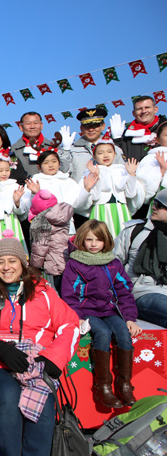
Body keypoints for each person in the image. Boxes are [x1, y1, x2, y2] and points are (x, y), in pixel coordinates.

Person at [0, 234, 79, 456]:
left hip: (37, 360)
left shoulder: (43, 291)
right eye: (0, 262)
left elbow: (69, 325)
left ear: (23, 262)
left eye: (12, 261)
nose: (6, 267)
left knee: (43, 402)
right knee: (9, 394)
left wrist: (53, 358)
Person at [62, 220, 141, 408]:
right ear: (82, 240)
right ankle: (103, 386)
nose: (93, 244)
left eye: (98, 240)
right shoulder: (75, 264)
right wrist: (77, 316)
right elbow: (69, 294)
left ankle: (124, 383)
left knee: (123, 332)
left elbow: (124, 291)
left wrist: (130, 318)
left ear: (106, 241)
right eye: (89, 240)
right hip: (87, 311)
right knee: (103, 333)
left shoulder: (113, 264)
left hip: (109, 309)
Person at [113, 189, 167, 328]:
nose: (154, 207)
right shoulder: (135, 230)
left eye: (160, 205)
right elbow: (113, 263)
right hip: (142, 291)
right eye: (154, 203)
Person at [86, 133, 143, 238]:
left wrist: (131, 175)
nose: (106, 155)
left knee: (123, 238)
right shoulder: (91, 171)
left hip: (120, 208)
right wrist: (95, 176)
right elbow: (94, 197)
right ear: (94, 156)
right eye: (101, 153)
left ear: (115, 154)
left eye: (109, 152)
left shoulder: (121, 169)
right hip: (101, 209)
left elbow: (131, 194)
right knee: (102, 237)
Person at [0, 152, 31, 259]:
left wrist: (17, 202)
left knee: (15, 252)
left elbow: (22, 211)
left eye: (7, 170)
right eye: (0, 170)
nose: (4, 173)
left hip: (13, 222)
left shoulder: (15, 186)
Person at [59, 108, 124, 183]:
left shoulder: (114, 148)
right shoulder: (71, 150)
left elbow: (123, 172)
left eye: (95, 125)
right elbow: (63, 173)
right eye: (87, 126)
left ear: (102, 126)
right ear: (81, 128)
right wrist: (65, 150)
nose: (91, 130)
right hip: (82, 192)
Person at [29, 190, 74, 291]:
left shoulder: (42, 221)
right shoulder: (62, 216)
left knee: (59, 289)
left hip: (54, 260)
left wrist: (35, 265)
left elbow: (40, 246)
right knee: (68, 288)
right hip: (66, 256)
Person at [10, 112, 67, 177]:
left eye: (36, 123)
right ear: (21, 127)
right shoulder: (13, 151)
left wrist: (66, 149)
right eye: (28, 123)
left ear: (41, 125)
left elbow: (65, 170)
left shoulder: (54, 147)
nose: (32, 126)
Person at [112, 95, 167, 162]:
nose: (143, 111)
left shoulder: (164, 130)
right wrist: (117, 141)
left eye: (147, 107)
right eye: (139, 109)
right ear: (133, 113)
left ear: (155, 109)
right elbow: (118, 160)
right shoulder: (126, 137)